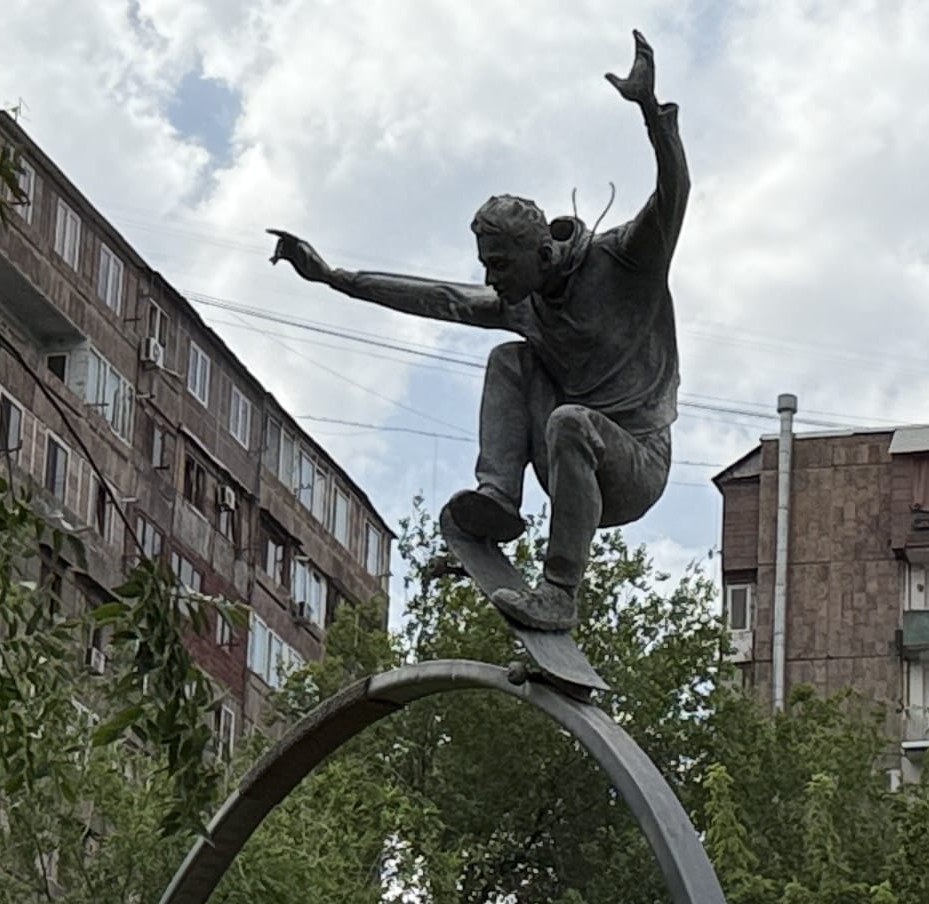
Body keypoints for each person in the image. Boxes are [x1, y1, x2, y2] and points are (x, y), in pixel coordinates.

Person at [271, 31, 687, 633]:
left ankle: (559, 592)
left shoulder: (625, 260)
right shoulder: (521, 303)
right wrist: (336, 278)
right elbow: (439, 298)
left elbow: (673, 195)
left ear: (540, 252)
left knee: (571, 421)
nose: (488, 277)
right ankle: (497, 499)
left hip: (635, 464)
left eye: (498, 264)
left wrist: (652, 114)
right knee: (509, 360)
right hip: (565, 454)